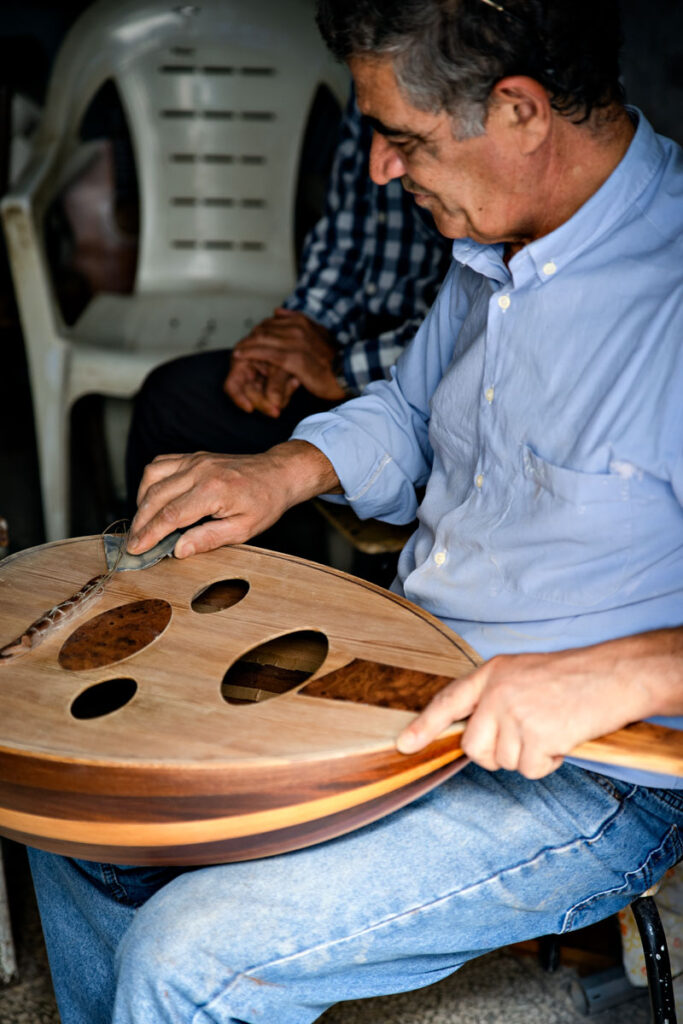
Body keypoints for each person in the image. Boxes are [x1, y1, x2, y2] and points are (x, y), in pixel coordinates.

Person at [28, 2, 683, 1023]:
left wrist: (614, 673)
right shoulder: (497, 244)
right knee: (84, 804)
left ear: (518, 110)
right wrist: (283, 469)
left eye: (401, 137)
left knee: (189, 956)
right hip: (400, 677)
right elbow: (419, 410)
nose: (378, 168)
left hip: (590, 773)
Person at [124, 90, 453, 520]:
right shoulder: (376, 81)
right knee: (174, 403)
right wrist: (292, 338)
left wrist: (340, 369)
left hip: (404, 368)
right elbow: (348, 235)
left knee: (273, 474)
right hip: (359, 344)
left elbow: (450, 362)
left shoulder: (488, 240)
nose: (381, 168)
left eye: (400, 138)